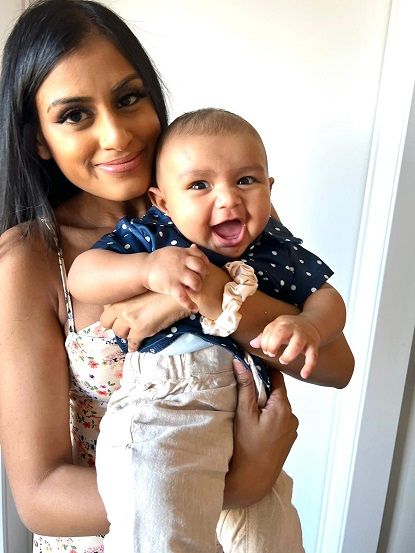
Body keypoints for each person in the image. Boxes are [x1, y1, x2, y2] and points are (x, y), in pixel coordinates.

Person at [0, 1, 354, 553]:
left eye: (128, 98)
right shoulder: (32, 259)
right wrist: (237, 485)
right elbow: (41, 496)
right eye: (74, 115)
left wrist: (205, 294)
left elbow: (335, 365)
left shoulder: (221, 209)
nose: (116, 134)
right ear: (39, 139)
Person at [68, 108, 347, 553]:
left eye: (246, 181)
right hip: (168, 409)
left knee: (272, 540)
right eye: (200, 185)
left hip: (252, 416)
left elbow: (327, 299)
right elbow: (82, 276)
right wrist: (145, 269)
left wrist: (310, 324)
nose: (228, 199)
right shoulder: (155, 236)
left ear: (269, 188)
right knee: (158, 533)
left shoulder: (272, 246)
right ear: (163, 202)